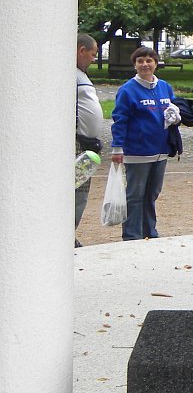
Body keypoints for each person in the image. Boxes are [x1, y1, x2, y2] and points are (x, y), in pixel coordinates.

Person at [111, 45, 179, 240]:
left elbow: (174, 106)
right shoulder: (127, 90)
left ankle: (150, 232)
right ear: (135, 65)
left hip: (160, 150)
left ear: (156, 63)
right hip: (137, 152)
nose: (145, 64)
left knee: (152, 194)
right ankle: (132, 235)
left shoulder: (164, 87)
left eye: (149, 60)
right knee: (135, 195)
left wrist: (176, 115)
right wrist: (117, 148)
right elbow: (120, 120)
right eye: (140, 61)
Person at [75, 33, 104, 246]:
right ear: (81, 50)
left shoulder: (80, 74)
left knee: (81, 191)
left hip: (86, 145)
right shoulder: (68, 74)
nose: (94, 59)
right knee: (76, 191)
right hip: (77, 145)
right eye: (92, 54)